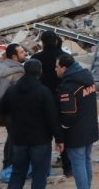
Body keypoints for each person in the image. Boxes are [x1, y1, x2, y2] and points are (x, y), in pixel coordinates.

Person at [0, 59, 64, 189]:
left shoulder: (12, 90)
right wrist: (59, 138)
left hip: (18, 138)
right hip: (40, 140)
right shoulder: (43, 91)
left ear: (24, 71)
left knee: (17, 173)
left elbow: (1, 109)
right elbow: (52, 117)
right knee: (39, 175)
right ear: (40, 72)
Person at [31, 31, 72, 177]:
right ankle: (68, 167)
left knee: (44, 135)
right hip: (63, 99)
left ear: (42, 42)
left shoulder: (36, 58)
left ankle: (43, 169)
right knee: (64, 132)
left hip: (42, 101)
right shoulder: (65, 57)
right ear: (56, 41)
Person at [56, 54, 99, 189]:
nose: (55, 69)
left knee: (78, 163)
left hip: (76, 132)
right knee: (86, 160)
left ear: (64, 67)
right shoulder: (87, 79)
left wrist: (63, 128)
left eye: (57, 67)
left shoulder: (68, 86)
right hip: (90, 128)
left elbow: (69, 114)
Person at [0, 43, 27, 173]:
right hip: (12, 112)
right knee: (14, 138)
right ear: (14, 57)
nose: (25, 54)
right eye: (21, 52)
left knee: (11, 136)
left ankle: (7, 163)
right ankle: (10, 165)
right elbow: (21, 95)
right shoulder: (19, 72)